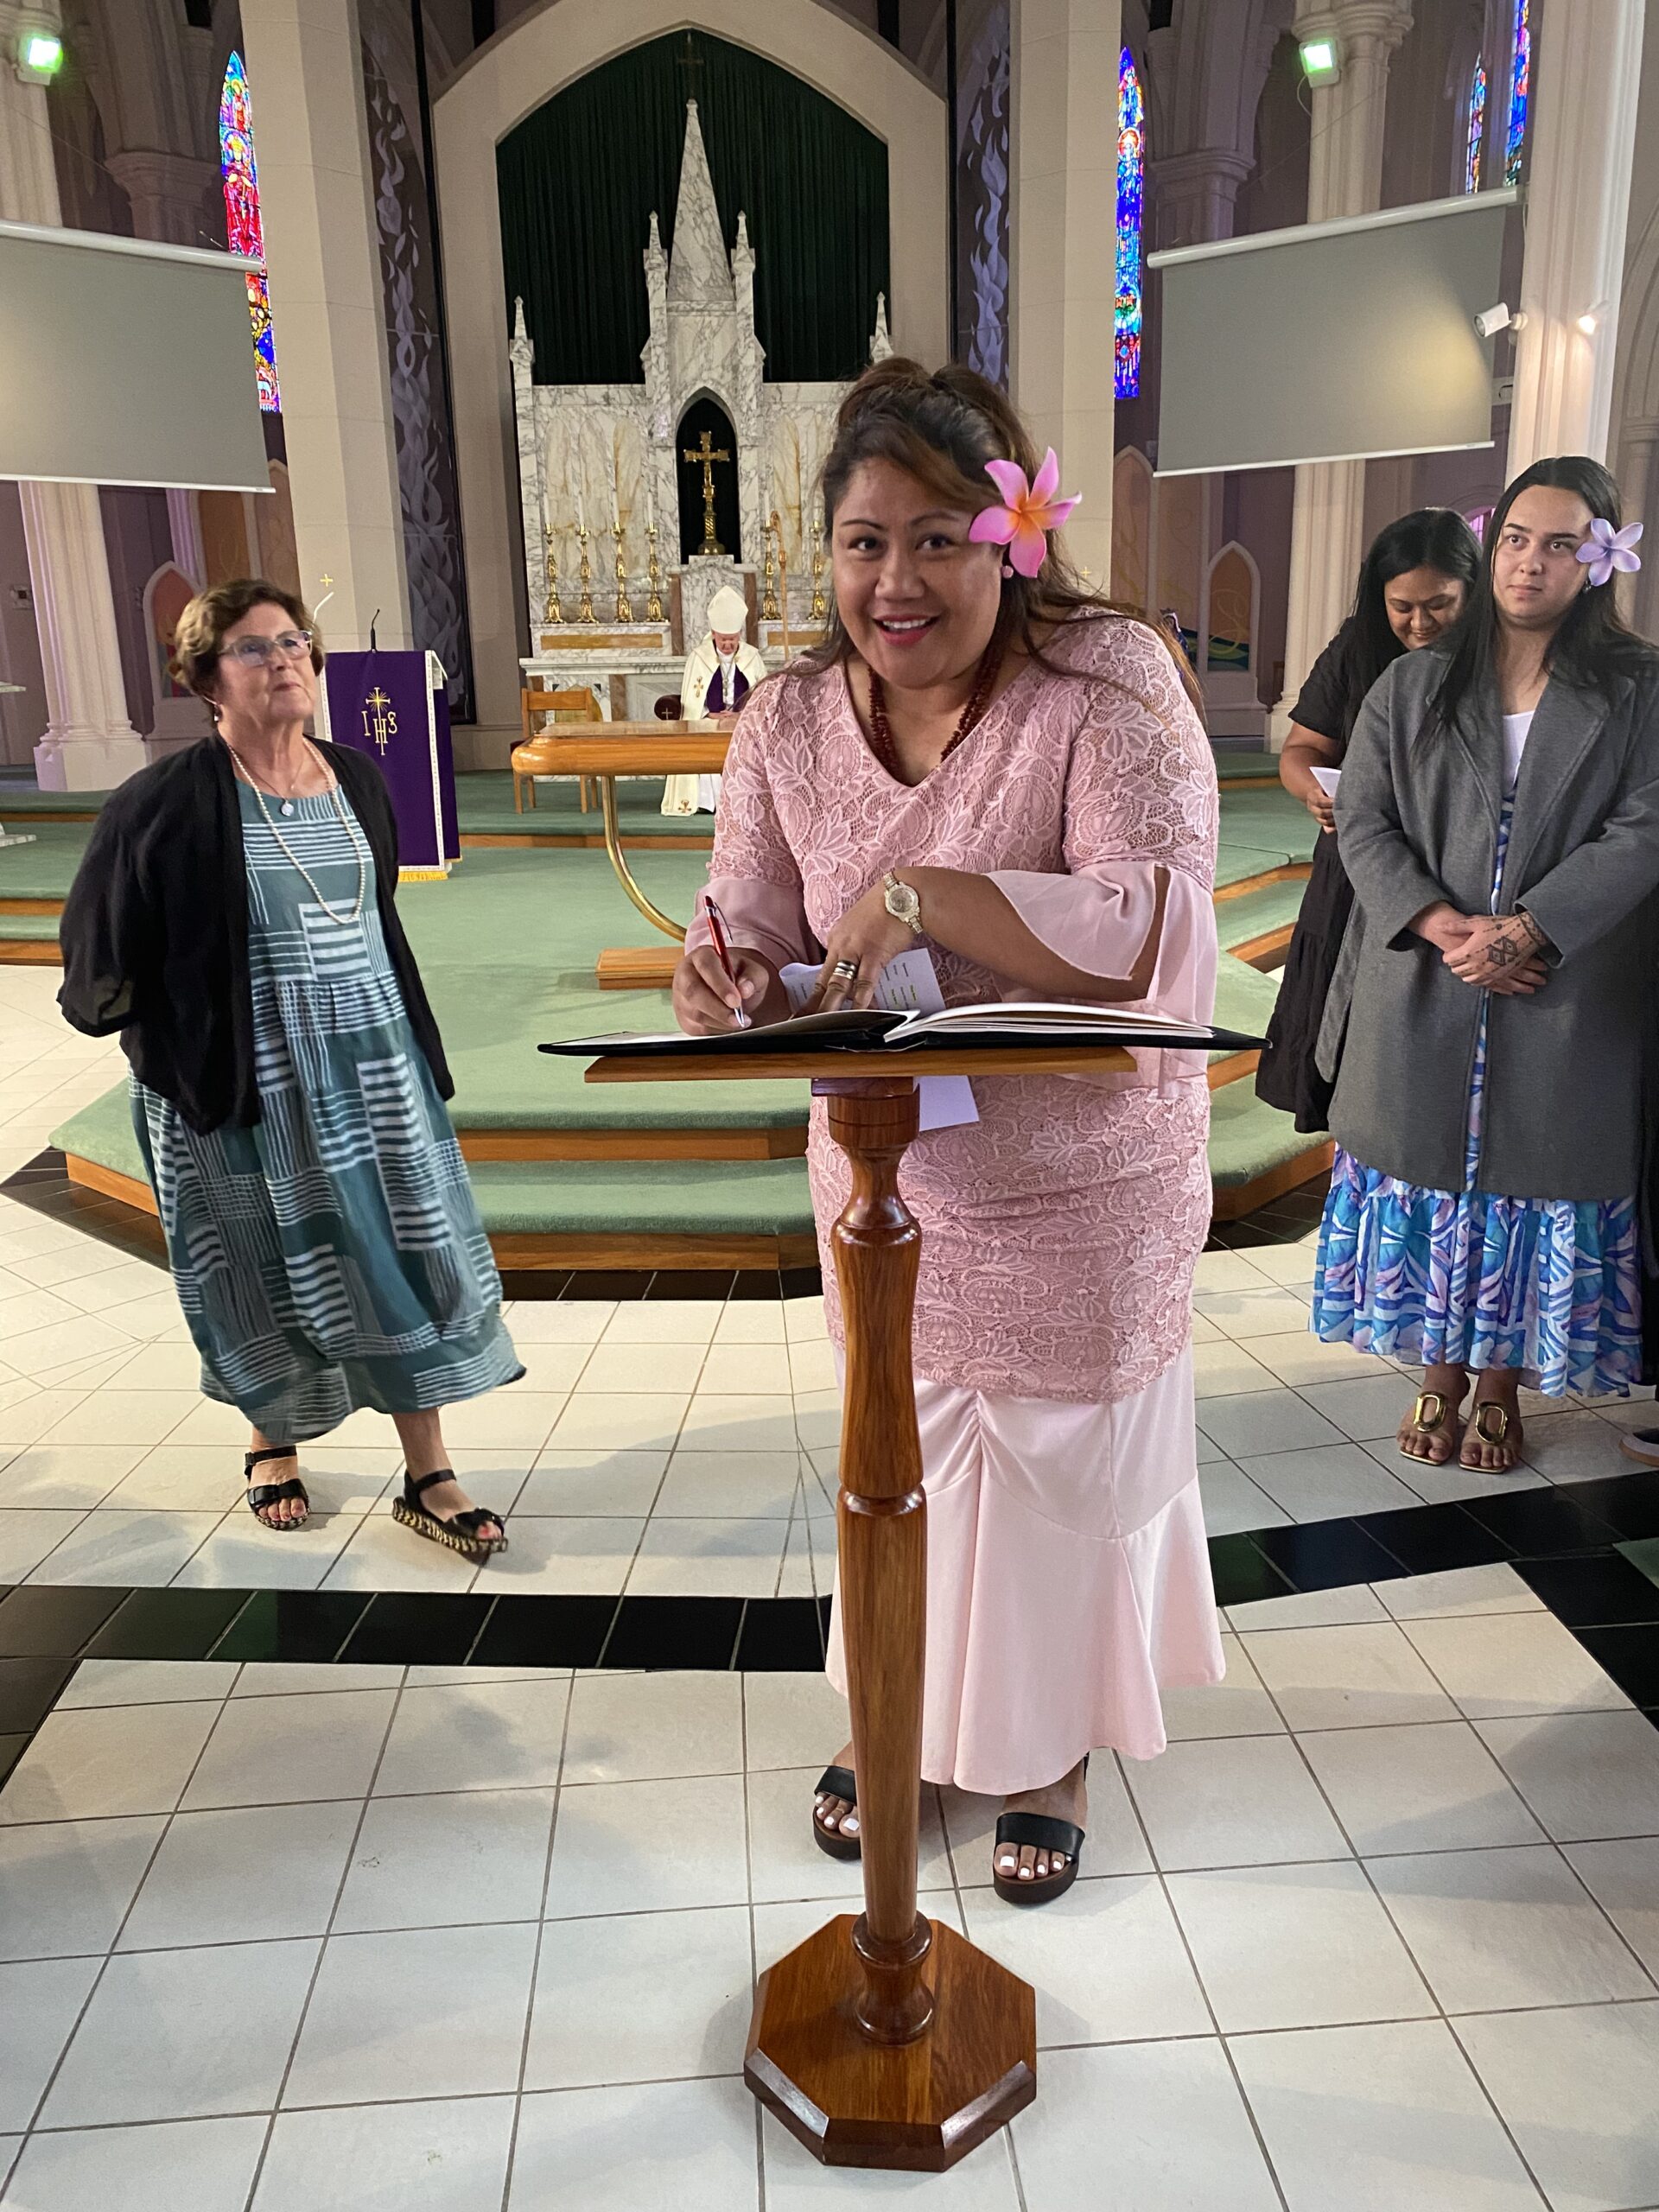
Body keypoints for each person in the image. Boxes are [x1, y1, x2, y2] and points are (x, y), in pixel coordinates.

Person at [672, 359, 1223, 1904]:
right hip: (890, 1189)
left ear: (1012, 541)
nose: (895, 581)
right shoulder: (786, 720)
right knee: (895, 1465)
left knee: (1057, 1477)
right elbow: (753, 924)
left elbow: (1150, 925)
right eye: (865, 542)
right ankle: (899, 1719)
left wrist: (923, 896)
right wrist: (726, 980)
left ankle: (1051, 1751)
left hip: (1083, 1188)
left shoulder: (1106, 683)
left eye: (937, 539)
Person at [57, 579, 520, 1554]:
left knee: (405, 1254)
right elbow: (102, 951)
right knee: (259, 1261)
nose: (283, 660)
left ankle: (428, 1467)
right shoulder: (161, 803)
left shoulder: (355, 777)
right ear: (205, 680)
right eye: (254, 647)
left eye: (294, 641)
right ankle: (271, 1440)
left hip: (373, 1067)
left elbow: (376, 915)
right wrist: (185, 1050)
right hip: (245, 1080)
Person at [1311, 458, 1659, 1473]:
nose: (1529, 563)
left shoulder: (1638, 688)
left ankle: (1500, 1386)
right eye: (1514, 538)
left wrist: (1532, 928)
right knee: (1436, 1172)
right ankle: (1438, 1375)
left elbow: (1646, 826)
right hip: (1427, 973)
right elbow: (1363, 818)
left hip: (1566, 982)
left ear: (1600, 560)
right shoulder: (1414, 683)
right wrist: (1444, 924)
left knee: (1528, 1177)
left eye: (1560, 544)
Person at [1255, 509, 1481, 1131]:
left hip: (1449, 872)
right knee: (1340, 1025)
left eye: (1439, 604)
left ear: (1473, 592)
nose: (1419, 623)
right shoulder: (1359, 646)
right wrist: (1315, 791)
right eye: (1401, 606)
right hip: (1354, 869)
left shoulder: (1494, 656)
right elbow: (1302, 750)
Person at [661, 583, 768, 816]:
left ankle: (744, 801)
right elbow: (692, 701)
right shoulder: (699, 657)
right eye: (723, 640)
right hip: (709, 719)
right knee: (706, 743)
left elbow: (763, 697)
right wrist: (708, 713)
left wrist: (741, 714)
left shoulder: (752, 656)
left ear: (739, 635)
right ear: (714, 634)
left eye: (732, 639)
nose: (728, 645)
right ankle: (709, 802)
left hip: (742, 720)